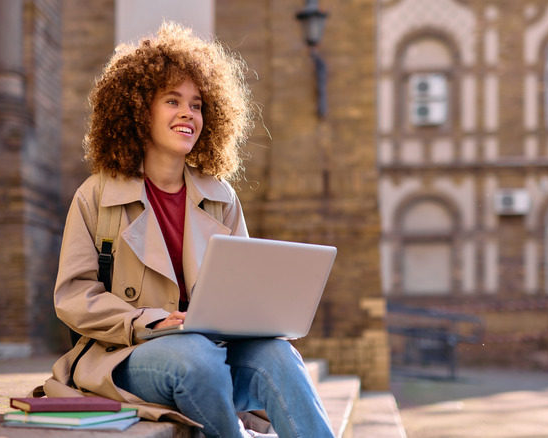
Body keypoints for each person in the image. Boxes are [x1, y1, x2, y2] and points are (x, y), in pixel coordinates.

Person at [48, 22, 335, 438]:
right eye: (172, 100)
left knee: (279, 356)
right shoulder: (95, 195)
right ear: (138, 109)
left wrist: (261, 317)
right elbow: (73, 297)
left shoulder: (222, 198)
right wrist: (152, 321)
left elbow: (245, 293)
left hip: (214, 354)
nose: (188, 113)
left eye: (197, 104)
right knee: (196, 356)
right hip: (127, 357)